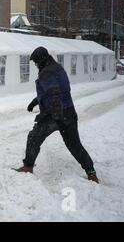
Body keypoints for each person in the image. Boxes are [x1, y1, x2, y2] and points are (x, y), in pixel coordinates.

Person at [15, 47, 99, 184]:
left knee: (34, 137)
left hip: (55, 114)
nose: (35, 65)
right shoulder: (57, 68)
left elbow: (54, 93)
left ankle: (28, 166)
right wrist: (35, 101)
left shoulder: (46, 73)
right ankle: (91, 172)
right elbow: (53, 89)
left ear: (41, 60)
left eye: (36, 62)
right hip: (69, 112)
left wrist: (50, 115)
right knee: (75, 145)